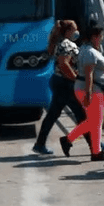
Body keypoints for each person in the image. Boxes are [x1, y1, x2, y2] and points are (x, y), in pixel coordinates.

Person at [59, 23, 104, 161]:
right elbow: (89, 74)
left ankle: (92, 150)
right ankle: (93, 151)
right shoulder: (90, 52)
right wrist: (89, 93)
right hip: (92, 90)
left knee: (94, 122)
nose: (101, 39)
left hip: (91, 89)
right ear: (94, 37)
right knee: (95, 121)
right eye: (100, 36)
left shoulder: (86, 49)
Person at [33, 19, 87, 155]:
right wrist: (76, 79)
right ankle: (95, 146)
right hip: (66, 84)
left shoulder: (56, 43)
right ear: (68, 31)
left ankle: (40, 144)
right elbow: (64, 64)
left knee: (53, 115)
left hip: (59, 81)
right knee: (81, 115)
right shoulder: (67, 44)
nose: (77, 32)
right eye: (74, 29)